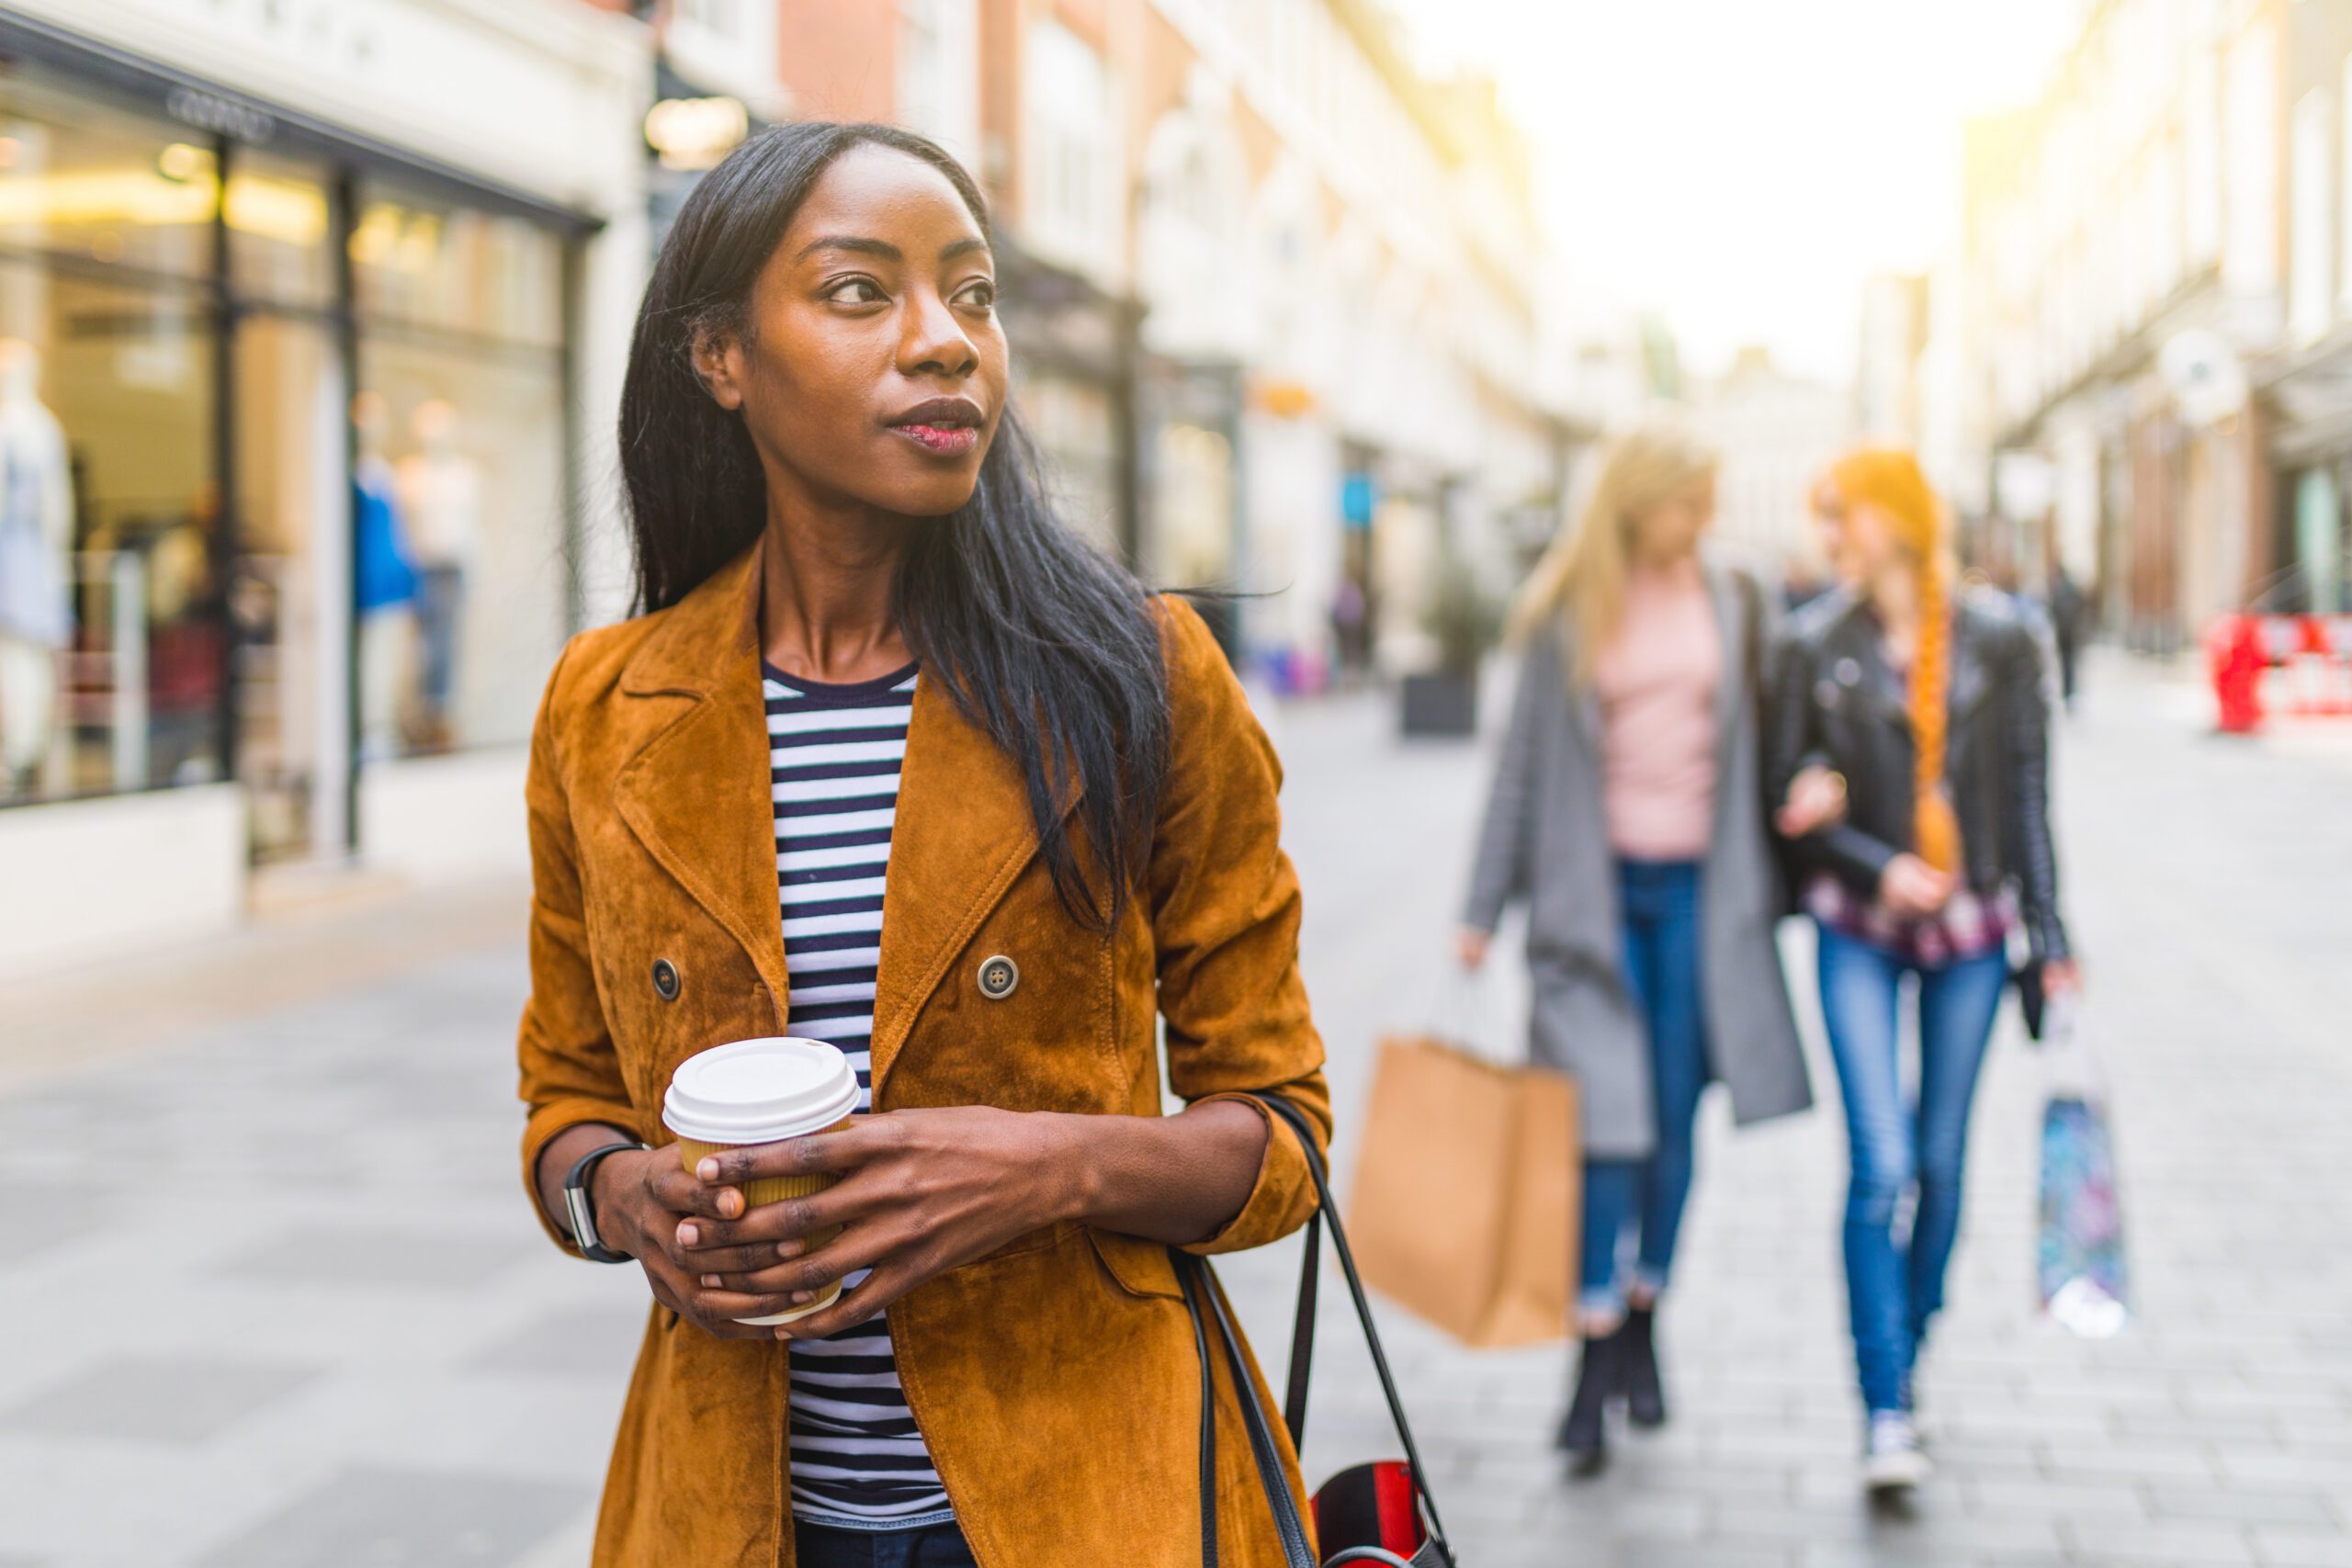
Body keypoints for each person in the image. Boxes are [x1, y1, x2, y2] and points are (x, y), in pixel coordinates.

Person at [515, 122, 1330, 1568]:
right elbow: (568, 1103)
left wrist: (1047, 1167)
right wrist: (623, 1196)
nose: (943, 342)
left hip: (1090, 1496)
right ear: (721, 358)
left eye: (972, 293)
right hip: (736, 1507)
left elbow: (1281, 1138)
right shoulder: (605, 705)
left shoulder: (1138, 676)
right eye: (857, 292)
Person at [1457, 421, 1811, 1474]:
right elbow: (1517, 770)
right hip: (1590, 903)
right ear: (1635, 501)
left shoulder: (1738, 596)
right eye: (1686, 501)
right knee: (1598, 1129)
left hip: (1707, 899)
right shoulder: (1570, 606)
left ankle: (1644, 1315)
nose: (1702, 521)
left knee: (1667, 1119)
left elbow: (1788, 726)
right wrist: (1479, 911)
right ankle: (1592, 1340)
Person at [1769, 449, 2077, 1495]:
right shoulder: (1813, 641)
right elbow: (1788, 798)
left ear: (1893, 519)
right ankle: (1886, 1403)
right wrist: (1865, 855)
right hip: (1857, 926)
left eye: (1837, 513)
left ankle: (1907, 1334)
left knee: (1941, 1165)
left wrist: (2054, 935)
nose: (1827, 537)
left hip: (1974, 930)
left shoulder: (2002, 636)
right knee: (1880, 1165)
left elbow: (2028, 798)